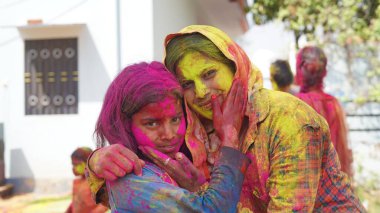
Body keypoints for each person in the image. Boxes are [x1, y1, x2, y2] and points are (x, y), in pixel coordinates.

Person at [87, 25, 365, 212]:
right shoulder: (193, 129)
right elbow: (132, 180)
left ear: (236, 66)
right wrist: (97, 159)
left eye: (209, 74)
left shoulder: (287, 120)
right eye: (187, 83)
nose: (201, 92)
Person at [92, 61, 250, 212]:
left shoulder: (167, 167)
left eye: (175, 119)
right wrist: (229, 138)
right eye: (152, 123)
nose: (169, 135)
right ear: (125, 125)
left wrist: (196, 189)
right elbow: (213, 210)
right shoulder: (132, 178)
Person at [295, 46, 353, 178]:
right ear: (323, 71)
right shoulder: (333, 103)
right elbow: (340, 150)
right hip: (333, 185)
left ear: (301, 68)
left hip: (306, 184)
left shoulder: (296, 103)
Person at [66, 147, 108, 213]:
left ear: (87, 162)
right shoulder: (76, 182)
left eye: (76, 164)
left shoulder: (96, 182)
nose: (74, 168)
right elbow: (75, 201)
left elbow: (105, 204)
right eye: (73, 165)